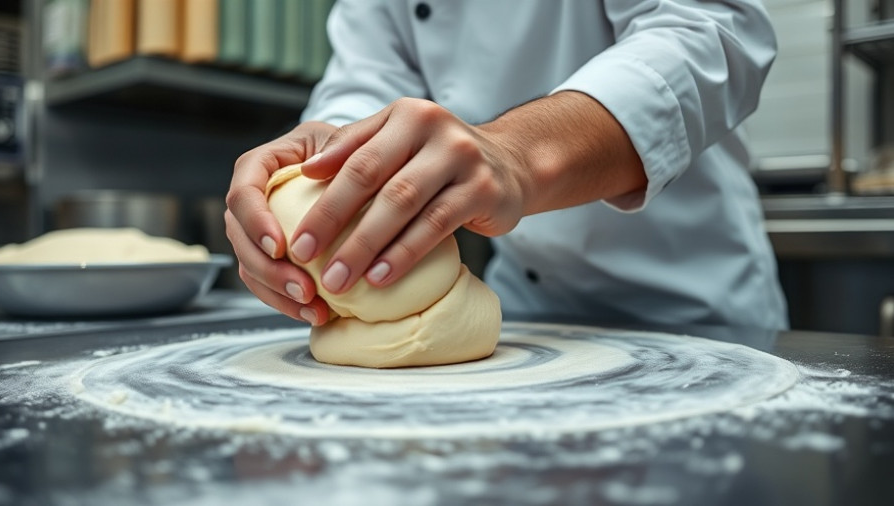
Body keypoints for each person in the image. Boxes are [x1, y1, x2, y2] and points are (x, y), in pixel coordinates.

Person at [225, 0, 788, 330]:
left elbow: (710, 34)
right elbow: (367, 78)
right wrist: (332, 159)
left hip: (698, 304)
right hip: (524, 311)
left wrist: (516, 155)